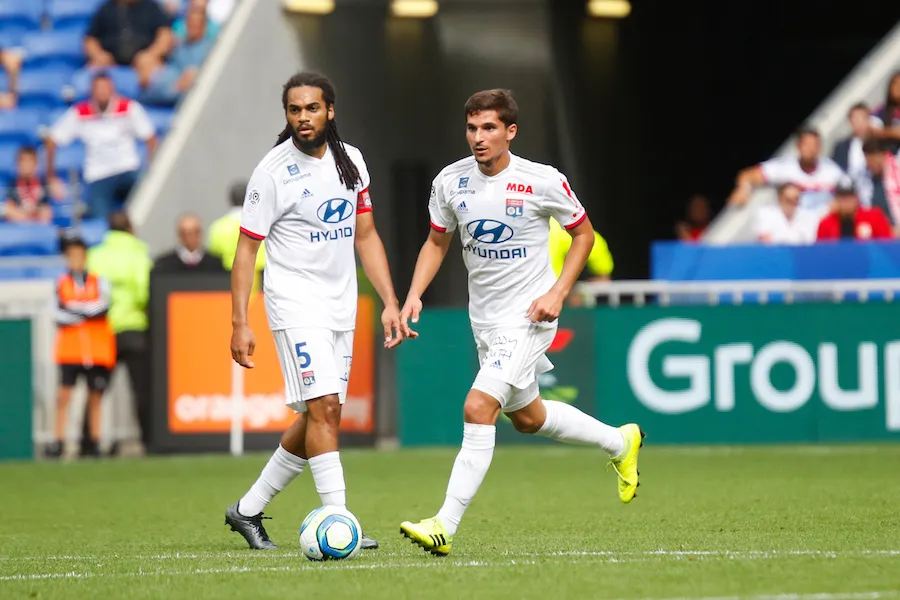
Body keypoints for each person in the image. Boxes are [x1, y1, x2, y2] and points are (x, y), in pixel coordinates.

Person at [396, 89, 644, 556]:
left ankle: (444, 524)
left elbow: (584, 235)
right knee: (527, 418)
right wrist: (413, 294)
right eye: (471, 128)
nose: (478, 137)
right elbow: (435, 241)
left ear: (510, 131)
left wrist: (557, 292)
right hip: (484, 320)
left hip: (530, 316)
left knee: (477, 407)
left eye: (488, 128)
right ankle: (620, 442)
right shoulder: (450, 181)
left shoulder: (542, 180)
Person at [225, 72, 405, 551]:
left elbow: (365, 236)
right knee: (324, 408)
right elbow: (247, 251)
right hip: (294, 302)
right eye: (294, 110)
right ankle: (340, 520)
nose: (303, 118)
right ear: (286, 115)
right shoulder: (273, 172)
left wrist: (389, 300)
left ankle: (246, 510)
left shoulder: (352, 162)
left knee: (319, 416)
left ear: (330, 111)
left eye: (311, 108)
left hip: (341, 306)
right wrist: (240, 322)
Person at [47, 72, 157, 220]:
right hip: (99, 175)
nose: (102, 92)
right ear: (92, 91)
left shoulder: (129, 108)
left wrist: (152, 169)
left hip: (128, 169)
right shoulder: (80, 113)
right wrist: (51, 177)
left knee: (148, 200)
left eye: (106, 88)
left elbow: (150, 137)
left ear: (113, 89)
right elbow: (53, 139)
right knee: (100, 219)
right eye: (98, 89)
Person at [87, 212, 154, 450]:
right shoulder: (138, 253)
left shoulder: (95, 255)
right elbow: (143, 292)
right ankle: (149, 440)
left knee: (96, 389)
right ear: (130, 228)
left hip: (103, 329)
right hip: (133, 327)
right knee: (141, 389)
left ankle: (89, 442)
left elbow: (89, 290)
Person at [51, 238, 117, 460]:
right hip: (70, 348)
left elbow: (103, 306)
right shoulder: (61, 282)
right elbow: (58, 312)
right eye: (72, 256)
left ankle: (94, 440)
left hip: (97, 348)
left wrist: (77, 310)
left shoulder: (99, 281)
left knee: (95, 395)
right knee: (64, 395)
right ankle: (58, 441)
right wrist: (85, 311)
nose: (76, 260)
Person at [727, 126, 844, 215]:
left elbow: (850, 193)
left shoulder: (832, 171)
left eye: (815, 145)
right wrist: (744, 188)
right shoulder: (785, 167)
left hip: (823, 231)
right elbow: (747, 175)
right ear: (798, 146)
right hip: (794, 228)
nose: (810, 149)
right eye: (806, 145)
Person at [138, 6, 215, 106]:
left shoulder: (210, 49)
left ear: (204, 26)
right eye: (190, 24)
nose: (192, 28)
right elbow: (169, 74)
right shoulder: (178, 48)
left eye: (196, 25)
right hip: (173, 89)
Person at [208, 181, 267, 291]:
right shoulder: (262, 223)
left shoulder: (218, 227)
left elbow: (214, 254)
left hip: (228, 277)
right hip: (261, 277)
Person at [85, 0, 174, 72]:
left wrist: (151, 55)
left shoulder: (152, 8)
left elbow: (165, 35)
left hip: (145, 63)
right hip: (111, 65)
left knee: (158, 75)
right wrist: (99, 55)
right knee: (87, 78)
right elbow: (90, 39)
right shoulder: (106, 9)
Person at [817, 179, 893, 241]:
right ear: (836, 199)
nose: (847, 201)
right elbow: (820, 253)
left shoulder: (875, 217)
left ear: (857, 197)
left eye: (850, 196)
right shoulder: (826, 224)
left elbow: (886, 247)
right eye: (843, 197)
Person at [153, 213, 225, 273]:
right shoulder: (164, 264)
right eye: (186, 233)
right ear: (180, 236)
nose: (192, 237)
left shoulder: (215, 264)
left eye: (196, 232)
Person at [3, 147, 56, 223]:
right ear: (17, 164)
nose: (25, 165)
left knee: (47, 211)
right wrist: (24, 212)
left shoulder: (43, 184)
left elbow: (45, 205)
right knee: (8, 209)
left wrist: (35, 209)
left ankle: (34, 227)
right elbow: (10, 204)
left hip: (37, 215)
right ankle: (29, 223)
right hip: (20, 216)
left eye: (29, 161)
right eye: (22, 161)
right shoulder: (12, 184)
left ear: (35, 164)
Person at [753, 183, 818, 245]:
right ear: (780, 198)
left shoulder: (809, 217)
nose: (792, 204)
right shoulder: (766, 214)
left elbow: (811, 241)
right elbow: (765, 240)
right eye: (788, 200)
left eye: (796, 200)